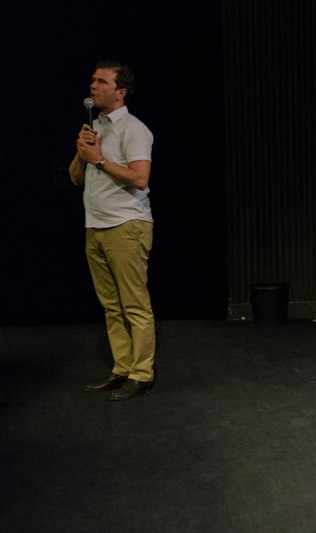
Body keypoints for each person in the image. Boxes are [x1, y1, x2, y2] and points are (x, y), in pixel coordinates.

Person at [69, 61, 156, 401]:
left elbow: (140, 178)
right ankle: (122, 367)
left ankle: (142, 373)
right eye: (92, 80)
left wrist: (100, 160)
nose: (93, 86)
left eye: (101, 81)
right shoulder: (96, 126)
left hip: (126, 226)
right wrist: (83, 151)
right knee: (111, 305)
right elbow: (76, 178)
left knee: (134, 304)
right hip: (96, 226)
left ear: (120, 92)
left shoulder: (133, 128)